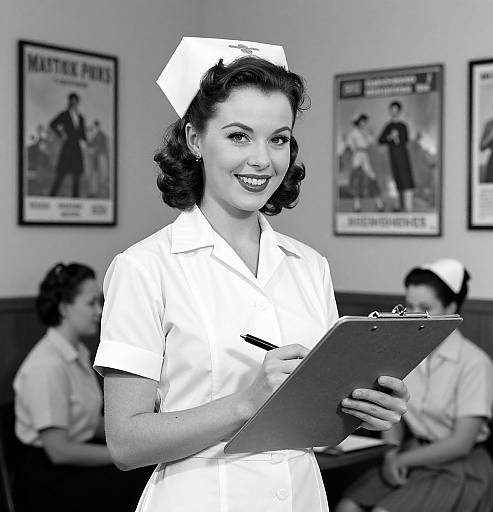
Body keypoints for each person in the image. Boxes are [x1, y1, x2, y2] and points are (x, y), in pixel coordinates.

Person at [93, 37, 409, 512]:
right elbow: (125, 443)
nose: (262, 159)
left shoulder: (310, 266)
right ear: (195, 139)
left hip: (302, 497)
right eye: (239, 136)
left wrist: (365, 410)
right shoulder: (144, 268)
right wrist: (246, 402)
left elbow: (316, 425)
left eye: (278, 138)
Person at [337, 258, 493, 512]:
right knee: (347, 506)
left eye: (425, 307)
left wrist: (399, 459)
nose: (414, 315)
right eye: (409, 306)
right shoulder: (404, 355)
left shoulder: (474, 363)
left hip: (457, 466)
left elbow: (461, 443)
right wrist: (391, 453)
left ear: (451, 307)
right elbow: (390, 410)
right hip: (408, 456)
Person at [13, 262, 150, 512]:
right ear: (65, 308)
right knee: (138, 480)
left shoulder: (79, 352)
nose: (99, 311)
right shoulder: (46, 365)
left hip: (75, 460)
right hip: (50, 476)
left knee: (145, 470)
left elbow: (88, 421)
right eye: (91, 303)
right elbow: (59, 450)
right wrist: (124, 454)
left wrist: (137, 440)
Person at [378, 101, 415, 212]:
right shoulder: (388, 126)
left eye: (396, 110)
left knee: (406, 179)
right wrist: (390, 137)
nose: (393, 113)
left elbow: (406, 139)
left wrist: (397, 138)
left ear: (399, 111)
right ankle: (398, 205)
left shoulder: (403, 125)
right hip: (392, 155)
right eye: (391, 110)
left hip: (402, 154)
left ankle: (409, 206)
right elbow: (381, 140)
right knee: (396, 178)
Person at [49, 92, 87, 197]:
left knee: (76, 176)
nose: (73, 103)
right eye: (72, 101)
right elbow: (52, 124)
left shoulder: (81, 118)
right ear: (69, 102)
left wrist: (84, 142)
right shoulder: (64, 115)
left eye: (75, 102)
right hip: (67, 148)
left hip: (77, 149)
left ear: (77, 103)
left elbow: (83, 134)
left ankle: (76, 198)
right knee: (61, 173)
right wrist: (61, 134)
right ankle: (52, 196)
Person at [346, 113, 385, 212]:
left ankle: (379, 204)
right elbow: (350, 144)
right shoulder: (353, 133)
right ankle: (357, 206)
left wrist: (370, 134)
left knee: (371, 177)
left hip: (365, 156)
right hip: (357, 156)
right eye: (361, 121)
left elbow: (371, 142)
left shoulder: (366, 132)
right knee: (356, 181)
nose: (363, 123)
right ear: (358, 122)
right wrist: (356, 149)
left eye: (365, 122)